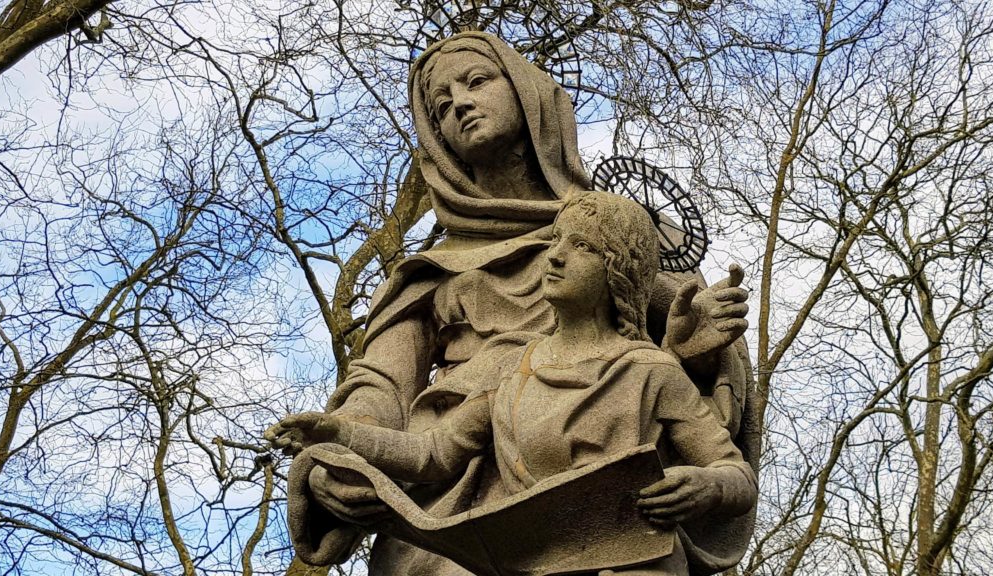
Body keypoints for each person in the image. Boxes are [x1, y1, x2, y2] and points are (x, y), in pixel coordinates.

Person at [267, 31, 756, 576]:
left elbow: (689, 378)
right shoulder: (426, 274)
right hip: (459, 500)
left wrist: (700, 354)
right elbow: (381, 386)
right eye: (441, 105)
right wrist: (341, 448)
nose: (460, 105)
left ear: (527, 93)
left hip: (604, 495)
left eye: (476, 81)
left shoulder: (616, 231)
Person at [270, 192, 757, 575]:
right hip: (533, 562)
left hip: (633, 564)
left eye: (582, 246)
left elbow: (735, 475)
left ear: (618, 270)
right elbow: (432, 454)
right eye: (556, 241)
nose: (556, 256)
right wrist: (336, 434)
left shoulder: (650, 370)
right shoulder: (514, 371)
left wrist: (706, 486)